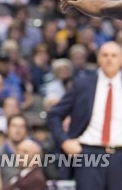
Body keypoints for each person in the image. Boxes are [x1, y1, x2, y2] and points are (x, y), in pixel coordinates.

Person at [47, 41, 122, 189]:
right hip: (89, 153)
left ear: (121, 59)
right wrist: (64, 141)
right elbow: (54, 115)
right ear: (99, 58)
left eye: (114, 55)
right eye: (105, 55)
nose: (109, 59)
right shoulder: (83, 85)